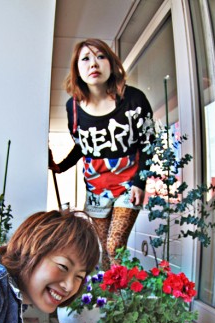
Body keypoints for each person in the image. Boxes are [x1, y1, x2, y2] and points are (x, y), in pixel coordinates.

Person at [49, 38, 153, 269]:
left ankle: (127, 290)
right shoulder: (72, 107)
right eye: (85, 59)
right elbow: (82, 146)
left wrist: (140, 183)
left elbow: (148, 143)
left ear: (111, 63)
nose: (93, 63)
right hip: (96, 187)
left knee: (115, 246)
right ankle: (109, 289)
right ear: (77, 69)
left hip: (128, 184)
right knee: (103, 249)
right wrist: (60, 166)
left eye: (100, 56)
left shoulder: (134, 99)